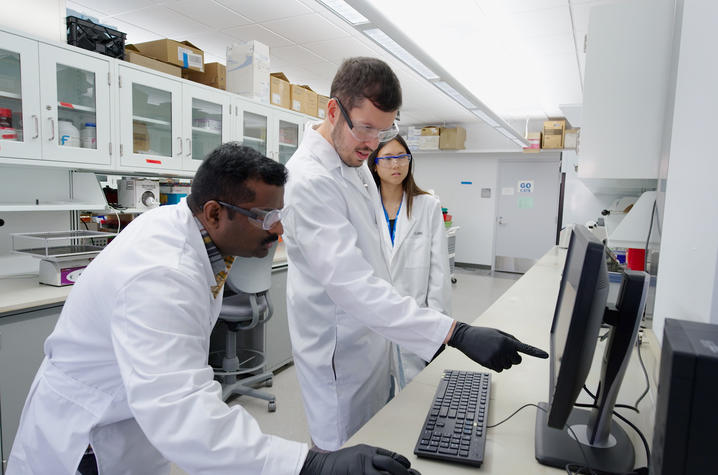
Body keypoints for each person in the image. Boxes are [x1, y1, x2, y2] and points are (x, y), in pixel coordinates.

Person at [6, 143, 419, 475]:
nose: (278, 228)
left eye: (280, 213)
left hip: (129, 419)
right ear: (215, 213)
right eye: (264, 215)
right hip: (88, 438)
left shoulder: (193, 233)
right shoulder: (162, 274)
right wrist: (309, 464)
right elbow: (182, 411)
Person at [282, 57, 548, 451]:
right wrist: (454, 332)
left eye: (384, 130)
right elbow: (351, 285)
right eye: (366, 127)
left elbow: (375, 261)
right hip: (339, 354)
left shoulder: (352, 161)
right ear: (334, 111)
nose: (373, 144)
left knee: (374, 437)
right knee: (340, 450)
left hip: (373, 340)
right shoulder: (308, 179)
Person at [367, 136, 451, 390]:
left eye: (402, 157)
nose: (397, 165)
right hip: (372, 320)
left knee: (414, 397)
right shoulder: (363, 206)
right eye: (388, 158)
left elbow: (439, 272)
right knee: (372, 400)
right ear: (374, 165)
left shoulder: (428, 206)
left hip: (416, 319)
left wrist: (437, 328)